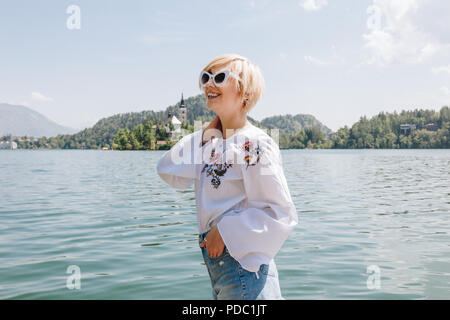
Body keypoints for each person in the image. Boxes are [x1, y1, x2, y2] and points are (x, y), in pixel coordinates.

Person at [156, 53, 298, 300]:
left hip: (244, 269)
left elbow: (280, 213)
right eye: (206, 77)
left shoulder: (254, 144)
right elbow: (168, 170)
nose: (209, 84)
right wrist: (205, 135)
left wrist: (223, 231)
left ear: (244, 93)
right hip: (223, 271)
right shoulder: (210, 141)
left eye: (220, 77)